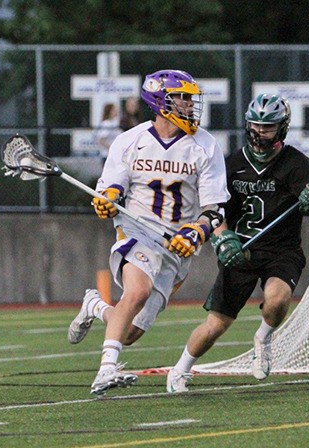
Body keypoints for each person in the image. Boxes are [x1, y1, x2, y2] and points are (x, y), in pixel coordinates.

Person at [67, 69, 230, 395]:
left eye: (190, 98)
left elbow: (215, 210)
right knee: (137, 292)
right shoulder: (131, 140)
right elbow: (109, 189)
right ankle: (106, 370)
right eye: (182, 97)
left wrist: (197, 232)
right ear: (160, 100)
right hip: (136, 231)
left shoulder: (205, 146)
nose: (188, 105)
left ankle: (95, 306)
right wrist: (108, 200)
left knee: (130, 331)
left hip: (175, 245)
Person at [166, 94, 309, 393]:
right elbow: (215, 211)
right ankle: (180, 369)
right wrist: (222, 240)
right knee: (216, 325)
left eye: (268, 127)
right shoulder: (231, 163)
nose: (260, 133)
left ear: (282, 128)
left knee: (278, 298)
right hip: (241, 251)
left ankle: (264, 337)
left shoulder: (297, 165)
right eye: (255, 126)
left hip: (281, 251)